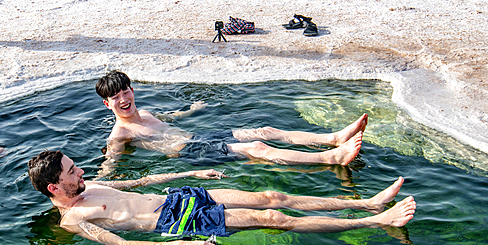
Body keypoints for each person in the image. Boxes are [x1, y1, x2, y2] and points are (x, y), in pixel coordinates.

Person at [27, 149, 416, 245]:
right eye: (72, 173)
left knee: (272, 196)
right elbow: (122, 244)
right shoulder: (73, 221)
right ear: (54, 189)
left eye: (76, 168)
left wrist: (189, 175)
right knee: (274, 217)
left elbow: (143, 181)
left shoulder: (89, 184)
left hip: (177, 198)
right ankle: (377, 222)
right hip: (178, 225)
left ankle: (366, 204)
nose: (80, 173)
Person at [95, 71, 367, 174]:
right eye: (115, 97)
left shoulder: (147, 113)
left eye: (125, 91)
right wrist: (100, 181)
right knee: (258, 147)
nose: (123, 99)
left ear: (132, 90)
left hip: (201, 135)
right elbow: (111, 163)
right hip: (191, 152)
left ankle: (332, 138)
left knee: (265, 130)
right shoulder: (119, 133)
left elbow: (170, 120)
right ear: (107, 104)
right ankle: (329, 158)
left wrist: (192, 109)